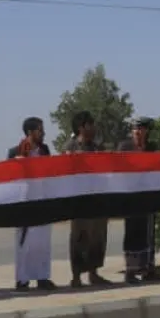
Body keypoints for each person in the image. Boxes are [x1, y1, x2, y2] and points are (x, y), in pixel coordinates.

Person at [9, 117, 57, 291]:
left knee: (43, 242)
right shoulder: (15, 151)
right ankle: (22, 279)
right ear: (30, 132)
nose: (43, 133)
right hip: (25, 204)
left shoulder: (44, 150)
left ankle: (42, 277)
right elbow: (7, 177)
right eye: (40, 130)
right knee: (24, 244)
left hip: (42, 201)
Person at [65, 111, 110, 287]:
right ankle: (76, 276)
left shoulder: (97, 148)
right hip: (78, 200)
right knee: (78, 237)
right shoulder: (71, 147)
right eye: (90, 124)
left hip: (97, 199)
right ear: (81, 127)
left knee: (97, 236)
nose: (94, 128)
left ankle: (94, 273)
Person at [118, 118, 160, 283]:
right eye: (135, 129)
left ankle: (148, 269)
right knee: (132, 232)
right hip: (131, 196)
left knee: (149, 233)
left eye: (141, 129)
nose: (138, 132)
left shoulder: (152, 148)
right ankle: (130, 270)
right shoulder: (125, 147)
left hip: (148, 196)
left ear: (146, 132)